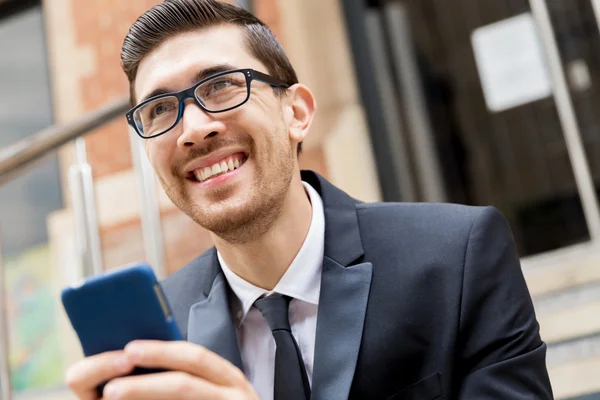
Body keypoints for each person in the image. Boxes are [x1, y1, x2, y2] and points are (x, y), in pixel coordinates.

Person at [65, 0, 554, 399]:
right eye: (160, 110)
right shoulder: (159, 333)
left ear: (296, 112)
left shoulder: (458, 257)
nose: (193, 129)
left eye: (220, 87)